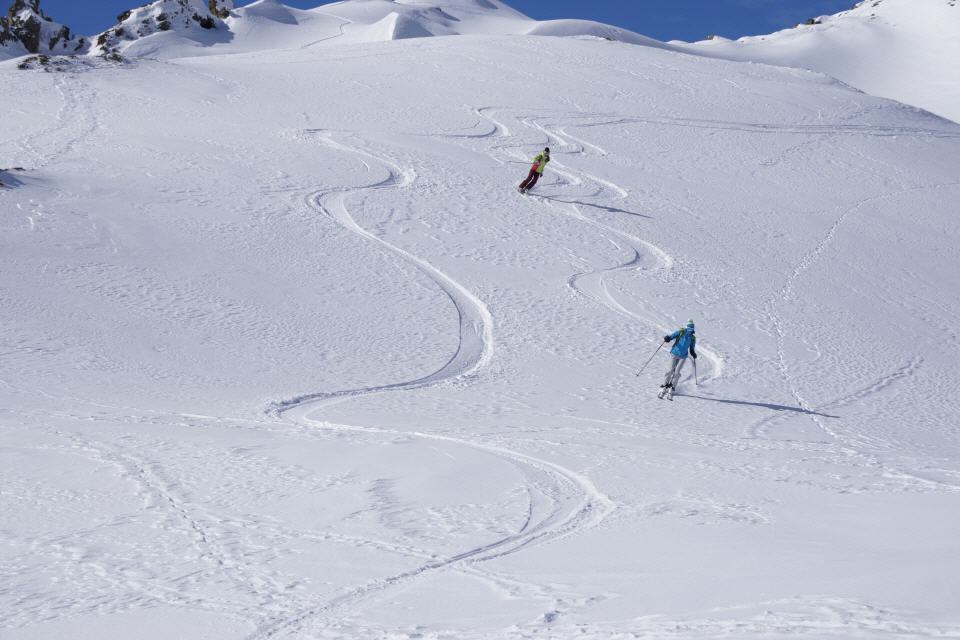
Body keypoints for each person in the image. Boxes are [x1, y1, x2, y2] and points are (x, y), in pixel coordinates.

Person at [659, 320, 697, 399]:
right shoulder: (681, 332)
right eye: (689, 329)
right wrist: (667, 338)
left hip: (683, 357)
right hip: (674, 354)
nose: (690, 331)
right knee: (670, 370)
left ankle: (672, 386)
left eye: (691, 329)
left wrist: (693, 352)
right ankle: (665, 384)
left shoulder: (692, 338)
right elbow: (671, 336)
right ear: (687, 328)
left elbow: (692, 348)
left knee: (677, 372)